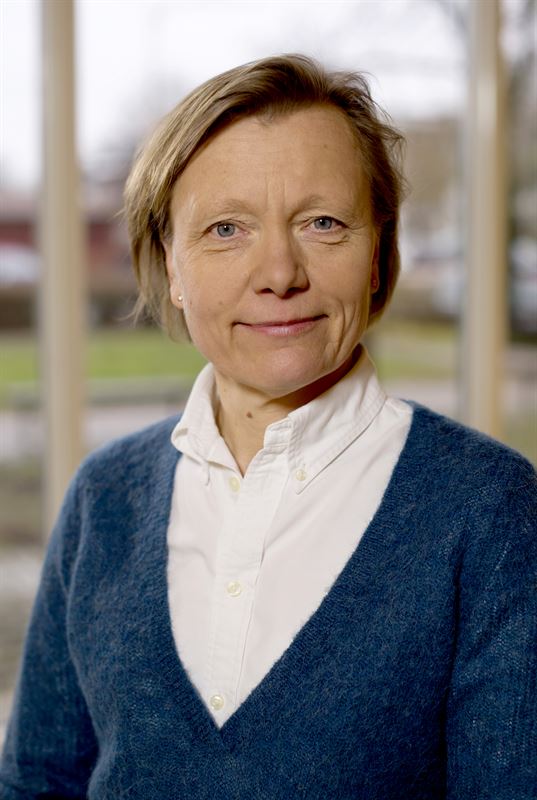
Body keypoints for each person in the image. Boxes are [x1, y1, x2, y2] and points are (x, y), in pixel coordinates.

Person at [1, 54, 535, 800]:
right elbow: (36, 783)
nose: (279, 273)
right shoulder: (104, 498)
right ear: (172, 266)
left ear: (377, 252)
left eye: (323, 223)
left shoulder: (490, 510)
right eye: (226, 229)